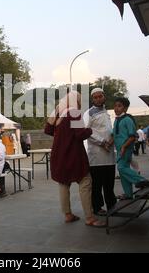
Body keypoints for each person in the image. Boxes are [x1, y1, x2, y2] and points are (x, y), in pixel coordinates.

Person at [45, 91, 105, 227]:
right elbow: (80, 134)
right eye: (78, 99)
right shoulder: (74, 113)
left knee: (63, 183)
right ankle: (89, 217)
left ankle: (68, 214)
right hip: (73, 154)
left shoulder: (58, 113)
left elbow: (48, 130)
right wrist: (89, 129)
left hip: (59, 155)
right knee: (85, 182)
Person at [83, 88, 117, 217]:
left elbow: (109, 129)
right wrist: (103, 142)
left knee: (109, 183)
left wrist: (111, 141)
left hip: (109, 153)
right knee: (97, 184)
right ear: (92, 99)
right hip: (97, 154)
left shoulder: (106, 112)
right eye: (95, 97)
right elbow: (87, 131)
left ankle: (111, 204)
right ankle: (97, 207)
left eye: (100, 96)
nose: (98, 99)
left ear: (104, 97)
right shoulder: (89, 113)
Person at [113, 98, 149, 200]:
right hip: (119, 149)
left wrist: (124, 147)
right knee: (122, 172)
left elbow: (132, 136)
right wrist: (109, 143)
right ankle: (128, 194)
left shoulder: (127, 120)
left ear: (125, 108)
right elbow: (115, 135)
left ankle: (141, 180)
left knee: (121, 168)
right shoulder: (117, 120)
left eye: (119, 106)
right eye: (115, 106)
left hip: (125, 149)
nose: (116, 108)